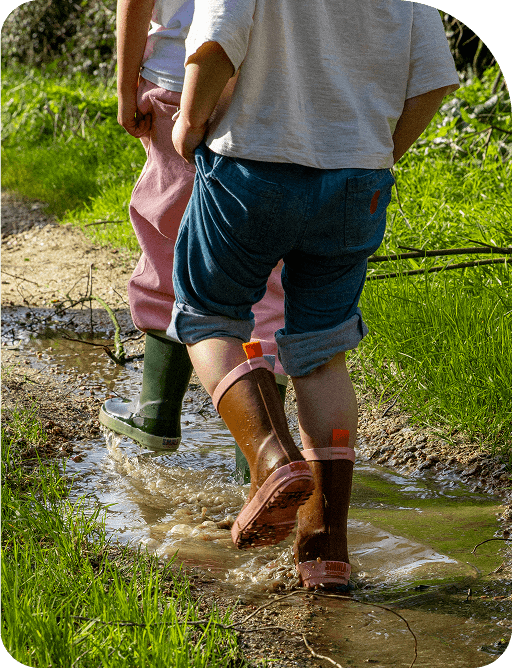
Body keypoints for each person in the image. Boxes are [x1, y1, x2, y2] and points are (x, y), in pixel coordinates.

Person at [169, 0, 460, 589]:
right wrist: (381, 150)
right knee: (322, 352)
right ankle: (326, 554)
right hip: (359, 177)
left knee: (208, 316)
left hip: (250, 164)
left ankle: (273, 460)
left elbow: (216, 43)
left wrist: (190, 122)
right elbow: (433, 80)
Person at [99, 0, 288, 458]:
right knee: (266, 269)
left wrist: (126, 89)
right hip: (275, 87)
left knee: (169, 240)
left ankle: (156, 411)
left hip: (178, 79)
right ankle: (264, 457)